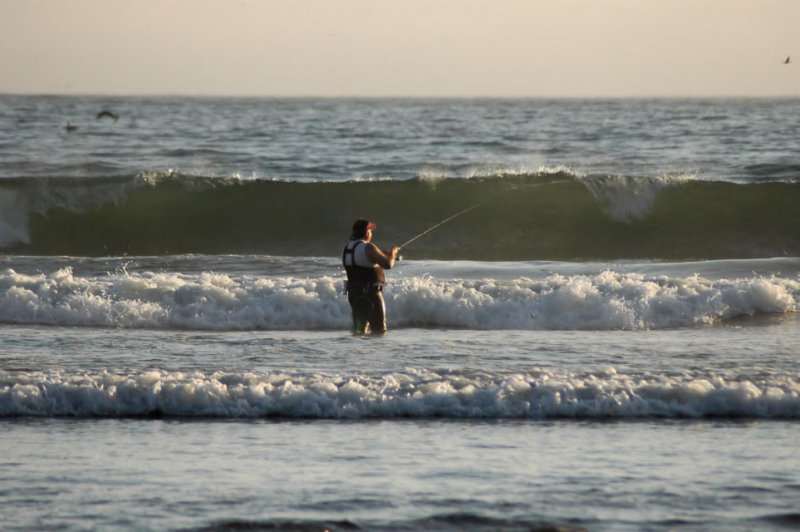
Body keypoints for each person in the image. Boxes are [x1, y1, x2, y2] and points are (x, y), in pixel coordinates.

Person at [342, 219, 401, 334]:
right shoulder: (369, 247)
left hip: (354, 295)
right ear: (366, 233)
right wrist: (393, 254)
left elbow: (362, 262)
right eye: (370, 231)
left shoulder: (347, 248)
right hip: (371, 295)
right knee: (379, 330)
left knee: (359, 331)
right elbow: (388, 264)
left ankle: (356, 351)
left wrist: (381, 255)